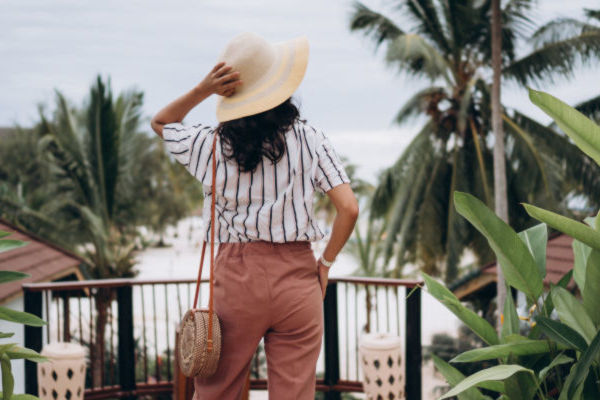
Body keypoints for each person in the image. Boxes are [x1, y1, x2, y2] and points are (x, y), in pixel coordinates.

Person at [150, 32, 359, 400]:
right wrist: (324, 263)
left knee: (217, 391)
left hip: (236, 280)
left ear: (230, 93)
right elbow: (349, 208)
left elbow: (162, 123)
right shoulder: (310, 138)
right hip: (298, 278)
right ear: (279, 83)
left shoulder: (211, 144)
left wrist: (203, 89)